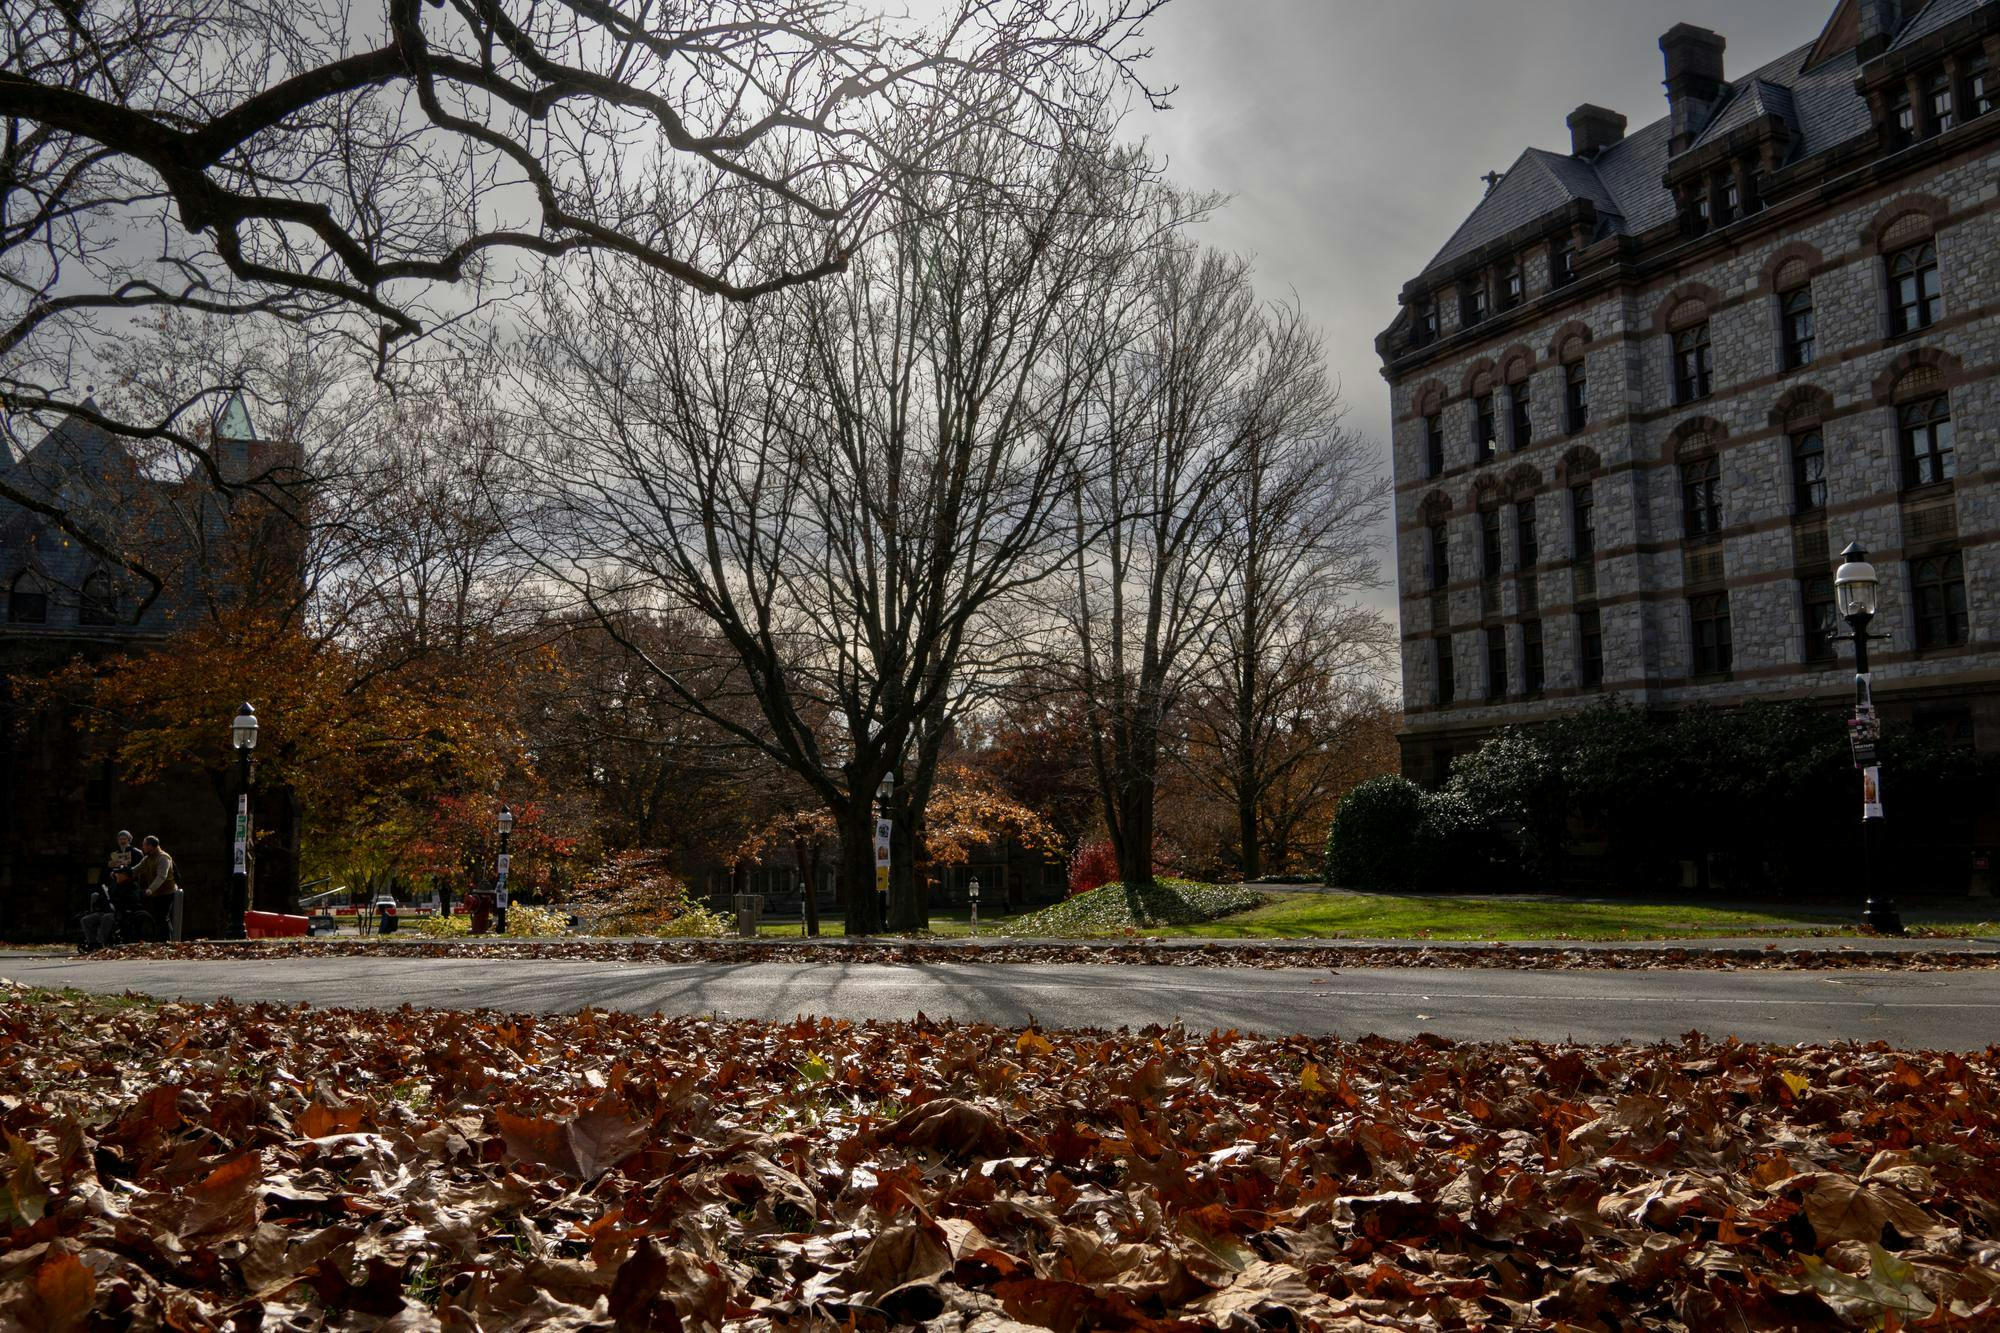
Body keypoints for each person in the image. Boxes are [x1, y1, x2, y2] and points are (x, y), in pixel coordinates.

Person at [135, 835, 181, 942]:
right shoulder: (148, 859)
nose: (143, 847)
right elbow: (136, 869)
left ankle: (167, 941)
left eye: (144, 845)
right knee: (158, 918)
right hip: (156, 893)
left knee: (163, 917)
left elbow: (162, 876)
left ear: (151, 846)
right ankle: (162, 941)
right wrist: (124, 872)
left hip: (167, 892)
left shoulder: (163, 858)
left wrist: (150, 889)